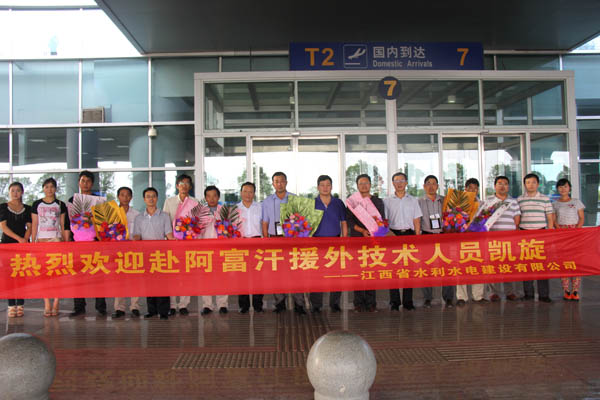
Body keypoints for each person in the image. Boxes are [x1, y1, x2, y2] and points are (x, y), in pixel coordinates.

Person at [470, 176, 522, 304]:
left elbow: (517, 221)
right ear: (495, 186)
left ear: (508, 187)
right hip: (492, 239)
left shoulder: (513, 202)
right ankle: (493, 292)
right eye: (499, 183)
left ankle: (509, 292)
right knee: (492, 266)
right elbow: (480, 219)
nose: (502, 186)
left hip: (509, 239)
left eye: (505, 184)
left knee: (508, 266)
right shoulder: (488, 201)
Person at [261, 172, 306, 314]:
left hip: (292, 239)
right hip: (274, 239)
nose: (279, 184)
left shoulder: (294, 199)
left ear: (286, 182)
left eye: (282, 181)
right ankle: (279, 303)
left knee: (295, 271)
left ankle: (299, 303)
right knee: (277, 271)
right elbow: (265, 222)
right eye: (276, 181)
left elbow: (301, 220)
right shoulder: (267, 201)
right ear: (273, 184)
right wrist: (266, 240)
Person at [133, 187, 175, 320]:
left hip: (161, 254)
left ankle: (164, 311)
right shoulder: (139, 218)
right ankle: (152, 310)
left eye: (153, 196)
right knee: (149, 283)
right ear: (144, 199)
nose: (151, 199)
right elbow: (137, 236)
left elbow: (169, 234)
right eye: (148, 196)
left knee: (162, 283)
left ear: (157, 198)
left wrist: (178, 242)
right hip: (145, 254)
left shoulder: (164, 216)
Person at [69, 170, 107, 317]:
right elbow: (68, 222)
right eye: (83, 181)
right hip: (77, 243)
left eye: (88, 181)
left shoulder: (99, 200)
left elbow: (104, 222)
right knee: (78, 276)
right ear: (79, 182)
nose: (85, 184)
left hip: (95, 242)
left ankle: (101, 306)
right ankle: (79, 306)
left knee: (98, 274)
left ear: (92, 183)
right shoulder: (72, 200)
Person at [309, 175, 348, 313]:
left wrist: (344, 240)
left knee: (336, 274)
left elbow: (344, 222)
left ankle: (335, 303)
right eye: (322, 185)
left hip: (335, 242)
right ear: (318, 187)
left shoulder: (338, 203)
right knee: (316, 275)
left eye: (328, 185)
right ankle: (316, 305)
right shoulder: (311, 203)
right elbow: (306, 225)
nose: (325, 188)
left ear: (331, 186)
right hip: (316, 242)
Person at [31, 177, 68, 317]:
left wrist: (65, 241)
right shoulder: (37, 204)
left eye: (52, 186)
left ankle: (56, 302)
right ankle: (46, 302)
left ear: (55, 188)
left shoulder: (60, 204)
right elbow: (35, 224)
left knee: (57, 273)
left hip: (56, 240)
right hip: (42, 240)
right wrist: (33, 241)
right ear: (43, 188)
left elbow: (63, 224)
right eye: (46, 187)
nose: (49, 189)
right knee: (44, 274)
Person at [384, 172, 421, 311]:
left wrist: (417, 237)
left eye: (402, 180)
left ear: (406, 183)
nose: (399, 183)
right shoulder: (387, 201)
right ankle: (394, 301)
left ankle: (408, 301)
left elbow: (416, 220)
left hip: (409, 234)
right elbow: (384, 221)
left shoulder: (413, 200)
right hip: (393, 235)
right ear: (393, 183)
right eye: (396, 181)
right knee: (392, 269)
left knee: (408, 269)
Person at [162, 173, 198, 316]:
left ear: (190, 186)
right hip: (172, 243)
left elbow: (197, 223)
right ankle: (172, 304)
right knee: (172, 275)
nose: (184, 186)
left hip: (188, 244)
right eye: (181, 183)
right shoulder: (169, 201)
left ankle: (183, 304)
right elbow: (165, 221)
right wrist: (170, 238)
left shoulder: (195, 202)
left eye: (187, 183)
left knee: (186, 275)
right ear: (177, 186)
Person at [346, 174, 383, 312]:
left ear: (370, 185)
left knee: (371, 270)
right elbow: (349, 221)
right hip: (357, 239)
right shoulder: (353, 201)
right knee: (358, 271)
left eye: (366, 183)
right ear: (357, 186)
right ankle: (358, 303)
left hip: (373, 240)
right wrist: (362, 230)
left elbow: (382, 220)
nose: (364, 185)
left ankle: (371, 303)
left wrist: (375, 231)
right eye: (361, 183)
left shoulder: (377, 201)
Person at [517, 173, 555, 303]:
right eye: (528, 182)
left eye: (533, 182)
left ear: (538, 184)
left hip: (541, 234)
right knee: (526, 266)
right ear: (524, 184)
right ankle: (528, 294)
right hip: (524, 234)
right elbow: (518, 217)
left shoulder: (545, 199)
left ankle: (544, 295)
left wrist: (549, 234)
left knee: (542, 265)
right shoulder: (520, 199)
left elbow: (550, 218)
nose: (531, 185)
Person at [418, 175, 455, 308]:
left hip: (443, 236)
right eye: (428, 183)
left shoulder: (445, 200)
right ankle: (427, 298)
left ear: (438, 186)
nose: (431, 186)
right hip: (426, 236)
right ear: (424, 186)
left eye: (434, 183)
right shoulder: (419, 202)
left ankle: (448, 298)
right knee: (426, 268)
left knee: (447, 267)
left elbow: (453, 217)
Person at [0, 182, 32, 318]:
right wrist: (18, 238)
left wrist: (24, 239)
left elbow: (30, 226)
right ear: (9, 192)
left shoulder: (27, 208)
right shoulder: (3, 207)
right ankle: (11, 305)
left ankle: (20, 304)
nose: (15, 193)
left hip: (23, 246)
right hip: (7, 245)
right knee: (9, 275)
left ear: (22, 192)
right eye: (12, 190)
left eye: (18, 190)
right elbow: (3, 227)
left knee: (21, 274)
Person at [552, 178, 585, 301]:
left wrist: (576, 230)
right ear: (557, 189)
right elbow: (554, 219)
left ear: (569, 188)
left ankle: (575, 290)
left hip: (575, 233)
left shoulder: (576, 202)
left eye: (565, 186)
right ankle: (566, 290)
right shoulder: (555, 204)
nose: (563, 189)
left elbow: (581, 218)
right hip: (561, 234)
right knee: (563, 262)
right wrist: (559, 230)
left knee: (576, 262)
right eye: (560, 187)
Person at [112, 186, 141, 318]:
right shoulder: (112, 213)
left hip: (133, 250)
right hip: (117, 251)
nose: (125, 197)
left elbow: (139, 232)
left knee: (134, 279)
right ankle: (119, 308)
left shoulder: (136, 214)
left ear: (131, 197)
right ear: (118, 197)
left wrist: (136, 237)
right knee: (119, 279)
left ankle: (135, 306)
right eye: (122, 195)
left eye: (128, 195)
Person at [456, 178, 486, 305]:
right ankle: (461, 297)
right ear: (465, 189)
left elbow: (485, 221)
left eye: (475, 188)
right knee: (461, 267)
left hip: (478, 239)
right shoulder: (458, 204)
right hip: (462, 239)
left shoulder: (483, 204)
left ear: (478, 190)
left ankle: (478, 296)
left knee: (478, 267)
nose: (473, 190)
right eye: (470, 188)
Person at [200, 185, 230, 315]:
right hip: (205, 250)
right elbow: (195, 231)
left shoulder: (225, 211)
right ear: (205, 198)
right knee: (206, 278)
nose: (211, 198)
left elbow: (232, 229)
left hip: (221, 249)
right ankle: (207, 305)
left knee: (222, 277)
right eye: (208, 196)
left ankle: (222, 304)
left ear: (218, 197)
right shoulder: (200, 212)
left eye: (214, 196)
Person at [237, 182, 264, 313]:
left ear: (254, 193)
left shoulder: (260, 207)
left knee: (258, 275)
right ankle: (244, 305)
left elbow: (265, 224)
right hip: (240, 244)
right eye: (245, 191)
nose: (248, 194)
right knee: (242, 275)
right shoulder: (235, 209)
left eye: (251, 191)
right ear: (241, 193)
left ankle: (258, 305)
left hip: (257, 243)